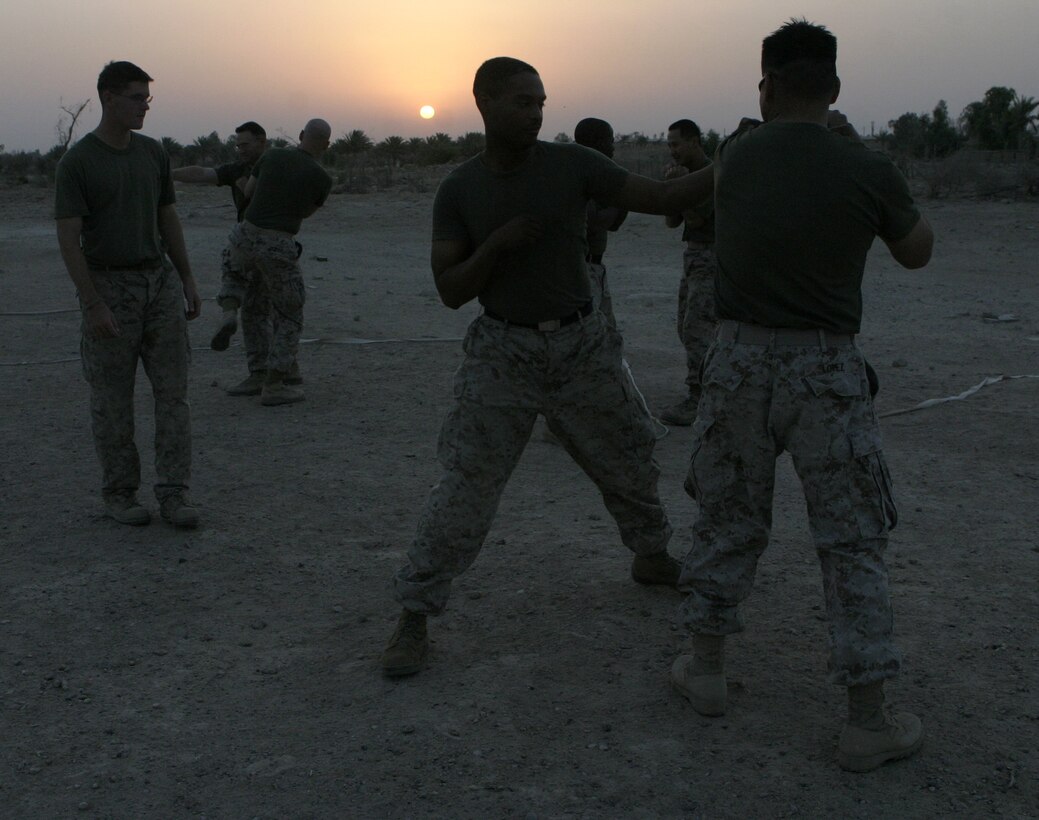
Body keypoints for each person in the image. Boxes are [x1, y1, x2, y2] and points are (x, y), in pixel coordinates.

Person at [381, 57, 715, 678]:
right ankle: (415, 611)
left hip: (582, 345)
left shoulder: (574, 165)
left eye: (541, 102)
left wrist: (736, 161)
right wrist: (497, 246)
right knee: (466, 483)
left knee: (628, 457)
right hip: (503, 352)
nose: (536, 113)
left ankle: (651, 553)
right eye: (521, 102)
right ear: (483, 103)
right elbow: (450, 289)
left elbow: (664, 197)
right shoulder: (460, 190)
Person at [669, 20, 934, 773]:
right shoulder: (864, 164)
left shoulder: (736, 157)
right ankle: (867, 719)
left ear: (765, 83)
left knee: (725, 518)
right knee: (850, 541)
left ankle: (708, 669)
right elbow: (916, 253)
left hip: (736, 362)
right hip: (825, 369)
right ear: (836, 88)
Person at [55, 60, 202, 528]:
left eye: (147, 98)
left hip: (156, 283)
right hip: (109, 286)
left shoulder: (152, 153)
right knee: (113, 398)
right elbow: (68, 237)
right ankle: (120, 493)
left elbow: (167, 218)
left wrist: (187, 277)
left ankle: (174, 494)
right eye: (136, 97)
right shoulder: (78, 162)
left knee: (173, 396)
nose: (144, 107)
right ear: (108, 97)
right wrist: (93, 302)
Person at [172, 122, 301, 395]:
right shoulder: (238, 169)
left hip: (265, 245)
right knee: (266, 310)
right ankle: (279, 372)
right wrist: (168, 174)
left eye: (246, 144)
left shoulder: (280, 166)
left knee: (270, 310)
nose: (241, 150)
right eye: (238, 145)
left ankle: (269, 372)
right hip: (264, 246)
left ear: (262, 141)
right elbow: (203, 174)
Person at [226, 119, 332, 406]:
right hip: (278, 243)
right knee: (289, 313)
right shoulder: (322, 178)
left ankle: (257, 370)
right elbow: (307, 212)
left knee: (254, 305)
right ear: (326, 145)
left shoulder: (271, 156)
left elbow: (248, 192)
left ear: (300, 135)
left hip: (245, 236)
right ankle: (275, 382)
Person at [659, 119, 717, 426]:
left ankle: (699, 398)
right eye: (669, 144)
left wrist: (684, 186)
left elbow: (695, 219)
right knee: (686, 326)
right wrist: (674, 188)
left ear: (694, 142)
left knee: (697, 328)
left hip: (711, 257)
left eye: (677, 143)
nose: (673, 150)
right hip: (694, 257)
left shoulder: (710, 175)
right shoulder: (685, 175)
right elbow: (672, 222)